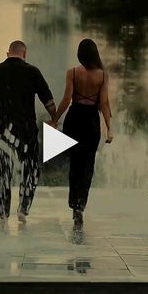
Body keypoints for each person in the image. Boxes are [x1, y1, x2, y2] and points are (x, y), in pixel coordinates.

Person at [0, 41, 56, 224]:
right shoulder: (32, 71)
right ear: (24, 54)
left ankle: (3, 213)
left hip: (2, 129)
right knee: (30, 169)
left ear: (8, 54)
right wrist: (54, 118)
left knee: (1, 170)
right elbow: (49, 101)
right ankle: (23, 209)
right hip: (26, 129)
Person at [49, 39, 113, 226]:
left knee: (75, 164)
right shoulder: (102, 75)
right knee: (88, 165)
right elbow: (103, 104)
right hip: (91, 121)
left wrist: (55, 119)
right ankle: (80, 205)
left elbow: (67, 98)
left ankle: (73, 203)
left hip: (74, 119)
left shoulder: (73, 73)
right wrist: (110, 129)